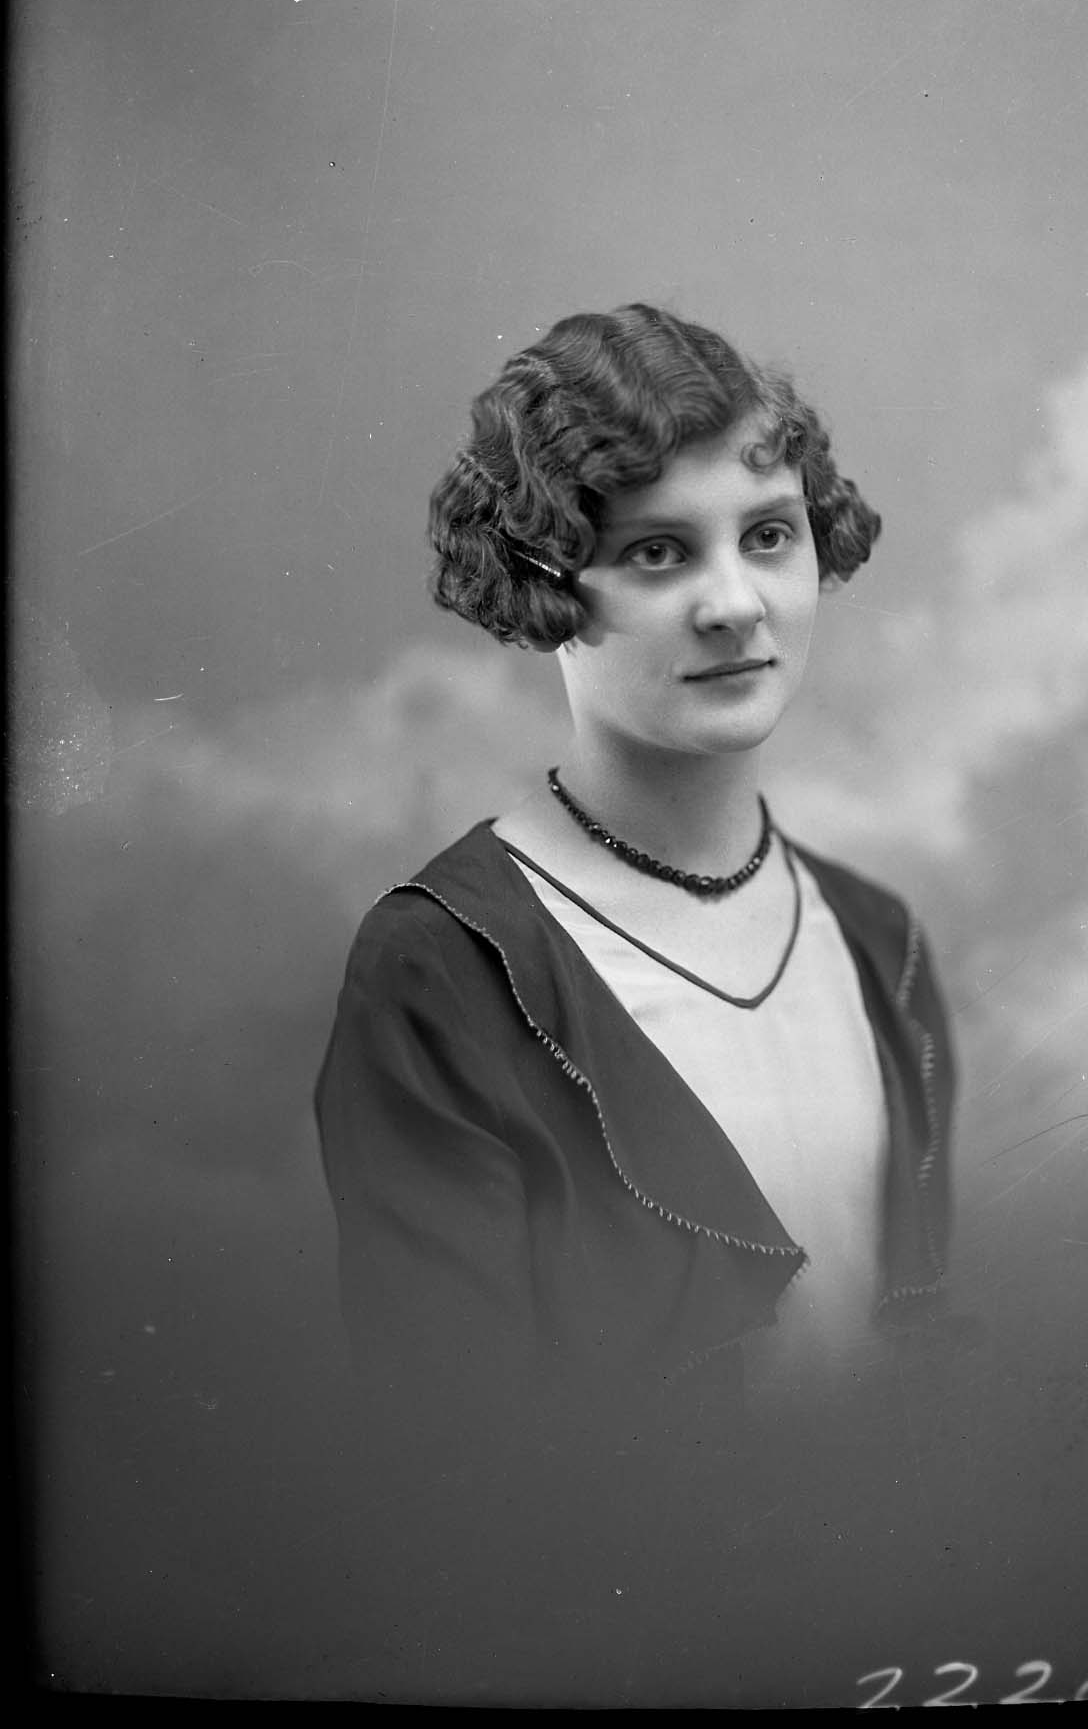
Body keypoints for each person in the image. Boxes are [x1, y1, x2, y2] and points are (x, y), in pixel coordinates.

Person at [313, 303, 961, 1703]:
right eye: (658, 553)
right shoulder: (444, 967)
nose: (735, 604)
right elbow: (450, 1477)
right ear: (541, 581)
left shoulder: (881, 944)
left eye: (770, 534)